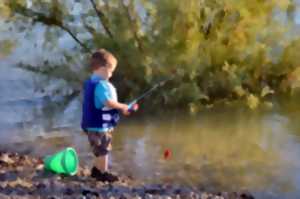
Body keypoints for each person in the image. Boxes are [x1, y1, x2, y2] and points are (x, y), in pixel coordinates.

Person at [81, 49, 138, 182]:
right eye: (111, 70)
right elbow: (108, 102)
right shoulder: (101, 85)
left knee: (98, 149)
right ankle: (103, 173)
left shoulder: (90, 83)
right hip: (99, 127)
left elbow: (102, 104)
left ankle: (96, 170)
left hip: (91, 125)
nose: (111, 74)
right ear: (103, 69)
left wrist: (122, 109)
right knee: (104, 150)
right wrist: (123, 106)